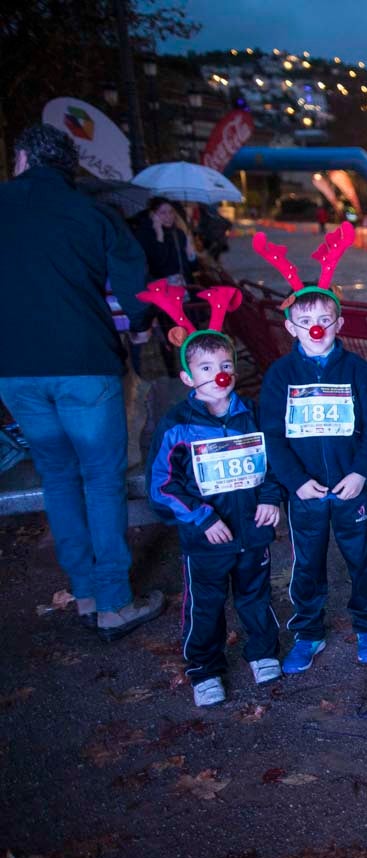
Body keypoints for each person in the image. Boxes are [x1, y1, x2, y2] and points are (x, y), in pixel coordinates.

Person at [0, 123, 163, 641]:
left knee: (57, 477)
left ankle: (86, 591)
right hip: (86, 365)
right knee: (101, 477)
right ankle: (114, 602)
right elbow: (137, 291)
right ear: (68, 167)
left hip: (15, 371)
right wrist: (139, 329)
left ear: (22, 158)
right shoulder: (93, 213)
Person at [256, 226, 367, 674]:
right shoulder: (279, 376)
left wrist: (360, 474)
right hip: (306, 493)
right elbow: (272, 435)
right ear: (291, 326)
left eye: (325, 319)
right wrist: (295, 482)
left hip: (351, 488)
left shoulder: (359, 371)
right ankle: (309, 631)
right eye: (305, 321)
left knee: (361, 559)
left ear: (339, 323)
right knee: (306, 564)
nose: (316, 328)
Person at [143, 283, 285, 707]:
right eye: (206, 368)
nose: (218, 374)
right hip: (206, 539)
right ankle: (204, 668)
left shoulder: (251, 414)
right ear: (188, 376)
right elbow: (162, 485)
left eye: (225, 364)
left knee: (256, 596)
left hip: (252, 532)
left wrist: (270, 496)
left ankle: (262, 652)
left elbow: (273, 460)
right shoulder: (177, 425)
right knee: (205, 605)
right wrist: (202, 517)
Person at [134, 198, 198, 287]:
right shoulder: (144, 234)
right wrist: (159, 234)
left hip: (184, 288)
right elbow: (157, 263)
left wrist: (191, 255)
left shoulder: (178, 233)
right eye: (163, 213)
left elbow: (192, 268)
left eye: (171, 212)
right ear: (153, 214)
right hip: (161, 289)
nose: (168, 216)